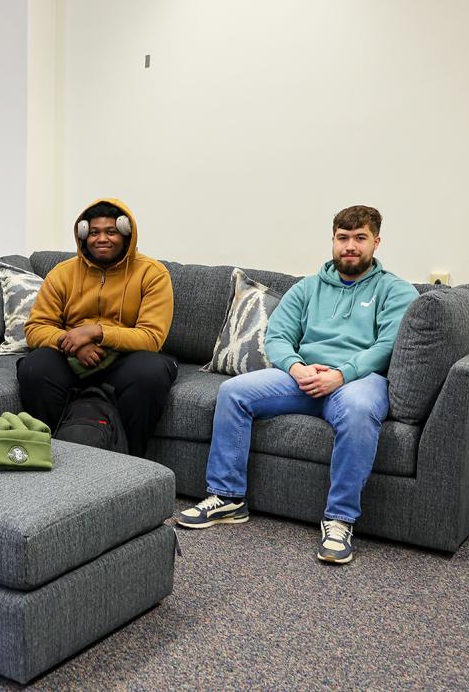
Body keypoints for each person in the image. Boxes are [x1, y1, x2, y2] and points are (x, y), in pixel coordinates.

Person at [176, 205, 418, 564]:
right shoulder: (308, 287)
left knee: (360, 409)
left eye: (360, 238)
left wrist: (343, 374)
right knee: (234, 392)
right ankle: (228, 498)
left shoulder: (396, 291)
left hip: (358, 381)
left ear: (376, 242)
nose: (350, 246)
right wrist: (295, 366)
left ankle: (339, 520)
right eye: (343, 238)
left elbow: (387, 346)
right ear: (333, 240)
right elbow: (277, 335)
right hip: (301, 378)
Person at [18, 198, 178, 454]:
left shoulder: (152, 274)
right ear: (83, 235)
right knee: (34, 367)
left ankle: (130, 461)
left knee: (152, 371)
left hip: (125, 361)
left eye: (111, 231)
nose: (101, 238)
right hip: (71, 360)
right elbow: (36, 327)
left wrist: (96, 332)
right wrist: (71, 343)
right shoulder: (62, 273)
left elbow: (151, 337)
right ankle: (51, 454)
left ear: (126, 234)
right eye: (94, 232)